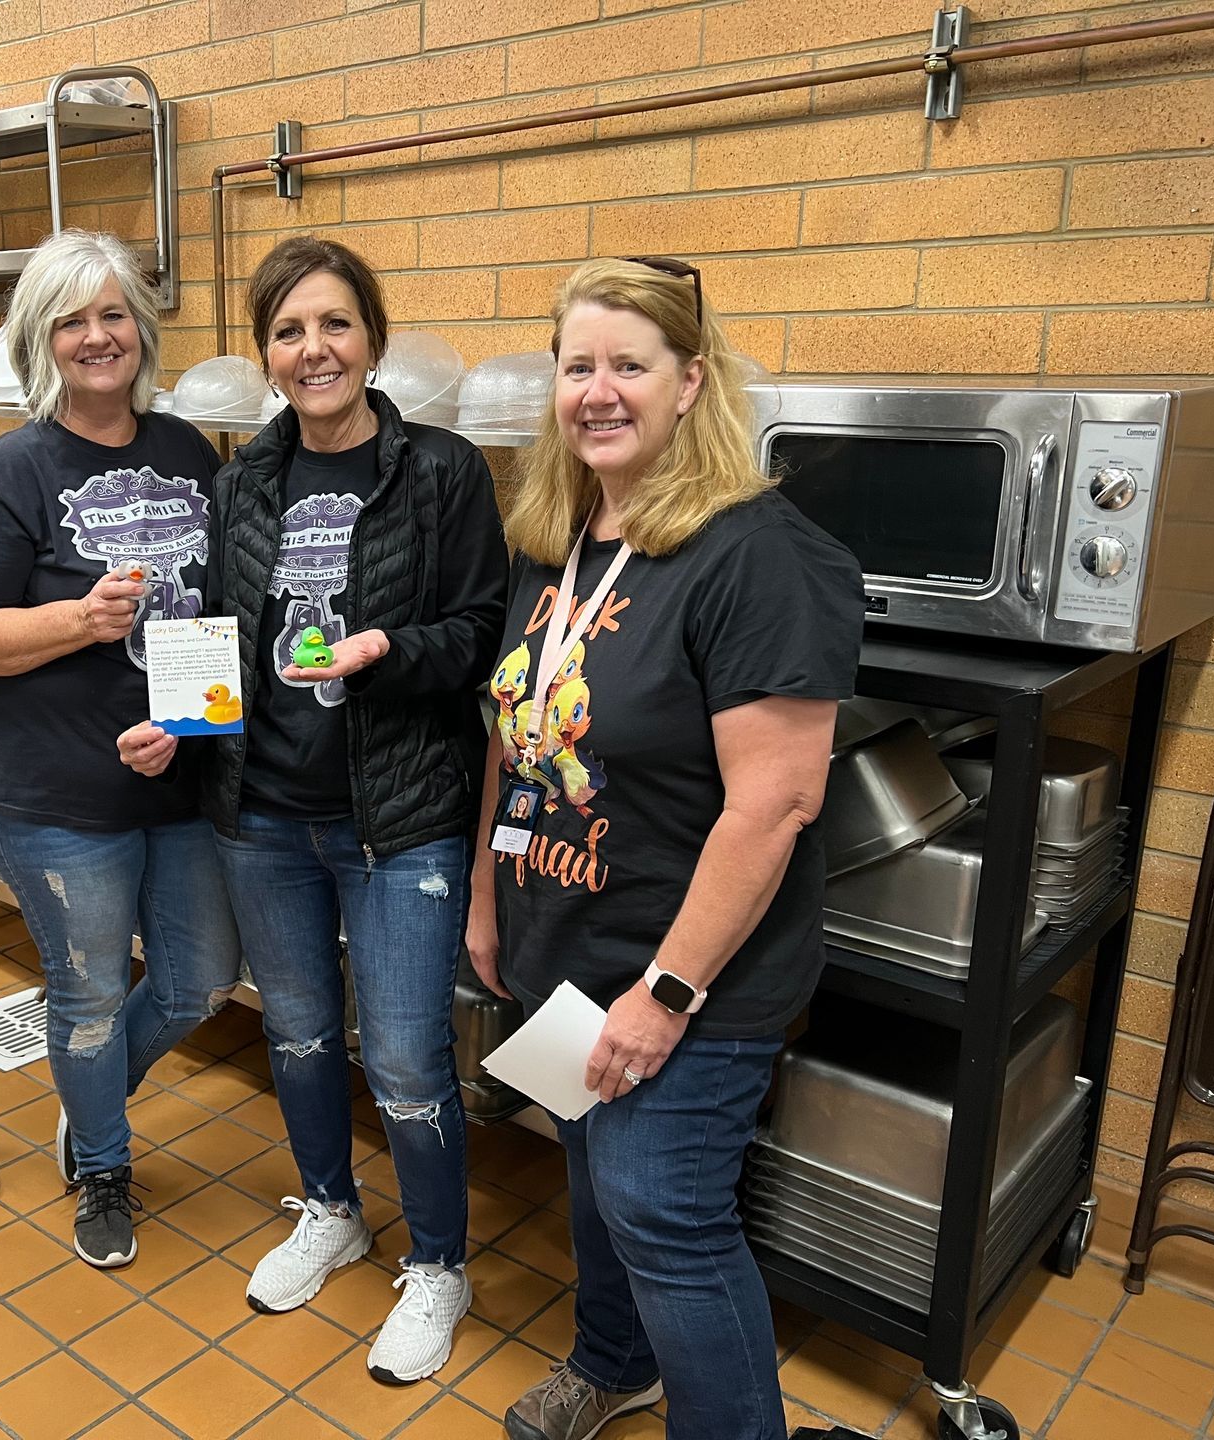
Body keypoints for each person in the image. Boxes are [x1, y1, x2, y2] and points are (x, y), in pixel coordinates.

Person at [471, 256, 862, 1440]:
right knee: (592, 1170)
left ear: (691, 382)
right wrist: (491, 899)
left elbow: (775, 806)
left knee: (665, 1213)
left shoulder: (759, 556)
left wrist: (666, 991)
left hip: (688, 970)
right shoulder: (556, 535)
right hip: (565, 937)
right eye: (577, 365)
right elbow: (513, 720)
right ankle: (612, 1362)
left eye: (627, 365)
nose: (598, 391)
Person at [118, 236, 508, 1384]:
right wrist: (176, 725)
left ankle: (438, 1264)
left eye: (335, 324)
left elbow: (481, 630)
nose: (314, 349)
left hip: (400, 820)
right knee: (293, 1031)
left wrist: (389, 651)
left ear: (372, 340)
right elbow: (225, 641)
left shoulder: (441, 471)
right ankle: (332, 1208)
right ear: (267, 354)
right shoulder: (241, 483)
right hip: (265, 816)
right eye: (289, 330)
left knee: (401, 1057)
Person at [0, 230, 241, 1271]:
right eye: (73, 319)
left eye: (115, 314)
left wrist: (192, 725)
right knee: (90, 993)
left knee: (202, 977)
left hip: (176, 776)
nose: (97, 335)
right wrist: (79, 620)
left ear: (142, 332)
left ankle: (95, 1099)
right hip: (54, 794)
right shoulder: (7, 473)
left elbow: (208, 619)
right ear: (42, 340)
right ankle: (103, 1166)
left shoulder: (190, 452)